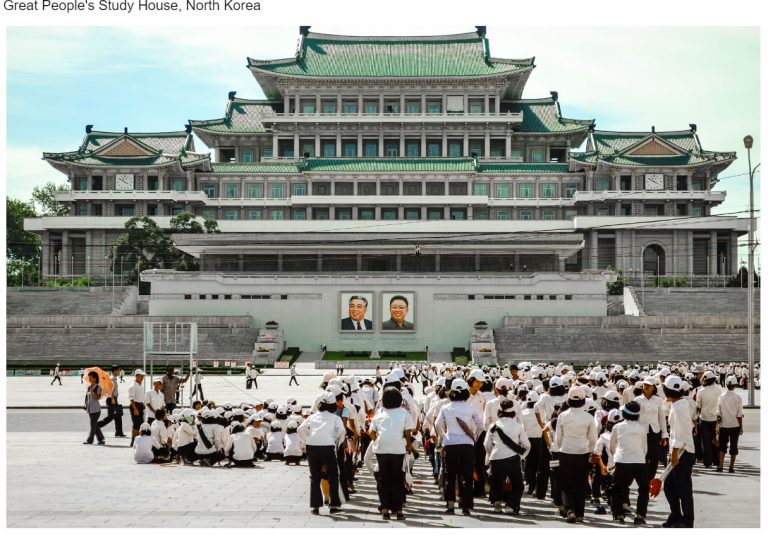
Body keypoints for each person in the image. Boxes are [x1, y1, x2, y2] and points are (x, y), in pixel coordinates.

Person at [435, 378, 482, 516]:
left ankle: (450, 505)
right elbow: (480, 425)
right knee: (467, 476)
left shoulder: (446, 407)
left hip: (451, 444)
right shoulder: (470, 407)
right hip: (467, 444)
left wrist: (444, 438)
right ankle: (466, 506)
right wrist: (474, 437)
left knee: (450, 476)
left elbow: (437, 425)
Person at [369, 386, 415, 520]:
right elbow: (407, 432)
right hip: (398, 449)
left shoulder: (379, 413)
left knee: (383, 480)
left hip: (382, 450)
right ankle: (399, 510)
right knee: (397, 480)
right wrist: (408, 445)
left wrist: (377, 441)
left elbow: (371, 432)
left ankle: (385, 509)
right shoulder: (404, 413)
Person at [298, 391, 346, 515]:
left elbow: (300, 429)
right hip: (328, 447)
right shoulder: (335, 418)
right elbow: (341, 431)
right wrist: (336, 443)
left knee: (315, 477)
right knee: (333, 476)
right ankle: (334, 504)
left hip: (312, 447)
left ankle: (315, 506)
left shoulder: (313, 416)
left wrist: (306, 440)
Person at [555, 386, 598, 523]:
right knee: (580, 484)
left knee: (566, 483)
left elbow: (558, 438)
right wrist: (590, 451)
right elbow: (593, 439)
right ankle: (580, 514)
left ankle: (570, 510)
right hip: (582, 452)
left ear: (569, 400)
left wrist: (563, 447)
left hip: (566, 452)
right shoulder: (589, 417)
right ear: (583, 401)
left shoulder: (562, 416)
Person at [484, 399, 530, 515]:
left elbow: (487, 445)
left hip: (496, 457)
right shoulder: (518, 426)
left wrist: (490, 456)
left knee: (496, 482)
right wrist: (522, 456)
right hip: (513, 459)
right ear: (513, 412)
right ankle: (511, 505)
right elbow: (527, 445)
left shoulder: (493, 426)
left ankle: (497, 503)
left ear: (499, 412)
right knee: (518, 485)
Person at [661, 375, 695, 528]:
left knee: (683, 488)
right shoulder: (679, 404)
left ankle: (687, 521)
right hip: (679, 450)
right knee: (669, 486)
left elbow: (680, 433)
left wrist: (674, 453)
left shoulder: (680, 407)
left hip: (683, 451)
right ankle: (676, 515)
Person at [609, 401, 649, 524]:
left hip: (622, 461)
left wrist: (618, 456)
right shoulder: (642, 428)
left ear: (624, 413)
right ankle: (640, 516)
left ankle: (618, 515)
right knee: (643, 489)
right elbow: (644, 448)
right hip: (639, 461)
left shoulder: (617, 427)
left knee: (616, 488)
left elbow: (612, 447)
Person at [635, 377, 667, 481]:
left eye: (649, 385)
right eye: (645, 384)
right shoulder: (637, 400)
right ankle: (643, 478)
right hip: (641, 431)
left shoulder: (658, 400)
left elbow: (661, 418)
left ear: (653, 387)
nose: (646, 386)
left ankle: (650, 478)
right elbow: (635, 417)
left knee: (654, 457)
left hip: (654, 431)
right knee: (642, 456)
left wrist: (664, 434)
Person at [716, 375, 744, 473]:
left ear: (727, 385)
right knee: (734, 446)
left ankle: (720, 466)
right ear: (735, 385)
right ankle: (731, 467)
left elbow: (718, 413)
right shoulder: (738, 397)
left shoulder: (721, 396)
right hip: (735, 425)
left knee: (722, 446)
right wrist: (741, 427)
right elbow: (739, 414)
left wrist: (717, 426)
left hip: (724, 425)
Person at [696, 370, 721, 468]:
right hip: (715, 418)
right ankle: (716, 460)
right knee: (715, 440)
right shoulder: (718, 390)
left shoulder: (701, 391)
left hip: (704, 418)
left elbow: (698, 406)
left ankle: (707, 462)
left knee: (705, 442)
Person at [97, 364, 125, 437]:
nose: (120, 372)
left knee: (118, 416)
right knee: (111, 417)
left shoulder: (114, 378)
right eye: (119, 370)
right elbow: (109, 390)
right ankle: (96, 425)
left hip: (114, 399)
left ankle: (119, 433)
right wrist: (112, 398)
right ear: (115, 371)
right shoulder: (112, 379)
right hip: (111, 399)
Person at [83, 370, 106, 445]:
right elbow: (87, 397)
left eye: (91, 378)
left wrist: (93, 393)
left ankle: (90, 440)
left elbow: (98, 397)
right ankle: (101, 439)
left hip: (96, 410)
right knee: (95, 425)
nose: (89, 379)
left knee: (92, 425)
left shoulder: (98, 387)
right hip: (90, 409)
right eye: (89, 378)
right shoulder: (89, 387)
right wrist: (85, 404)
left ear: (95, 378)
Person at [128, 369, 147, 447]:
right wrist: (135, 409)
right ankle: (133, 441)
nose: (142, 377)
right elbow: (131, 398)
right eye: (140, 376)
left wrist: (143, 404)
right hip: (135, 405)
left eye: (142, 376)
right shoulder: (133, 386)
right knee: (136, 424)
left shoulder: (139, 384)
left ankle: (138, 441)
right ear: (136, 376)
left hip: (140, 405)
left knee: (140, 424)